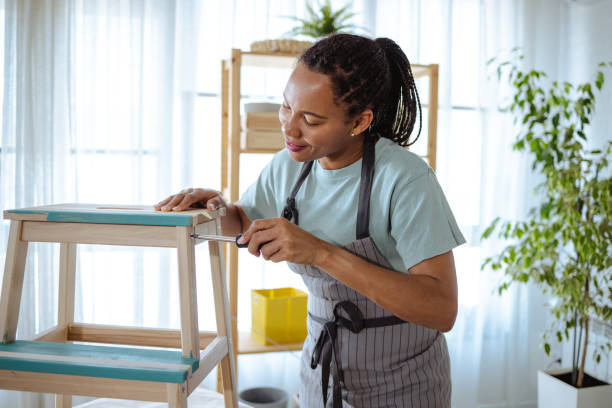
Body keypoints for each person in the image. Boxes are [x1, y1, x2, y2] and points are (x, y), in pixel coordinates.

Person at [155, 33, 465, 408]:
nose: (289, 128)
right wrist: (214, 209)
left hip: (403, 385)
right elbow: (242, 219)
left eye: (311, 120)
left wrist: (321, 253)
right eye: (286, 107)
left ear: (360, 120)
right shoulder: (290, 164)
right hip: (322, 375)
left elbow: (441, 308)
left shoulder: (406, 179)